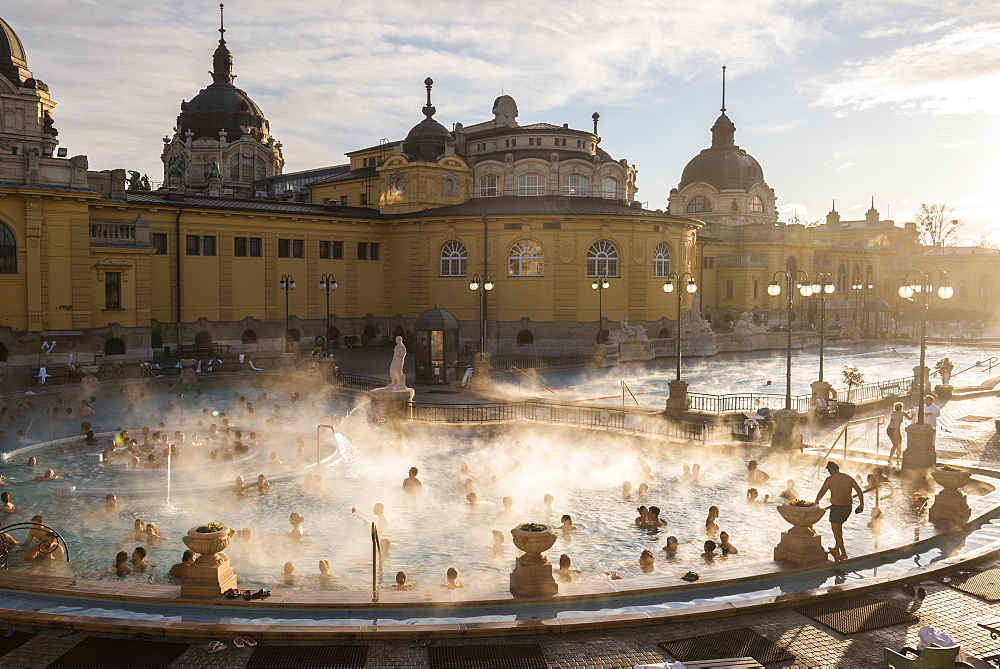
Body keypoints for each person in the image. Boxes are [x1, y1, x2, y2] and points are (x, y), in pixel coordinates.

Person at [815, 461, 864, 562]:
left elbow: (822, 492)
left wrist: (816, 502)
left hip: (837, 507)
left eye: (829, 470)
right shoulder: (848, 477)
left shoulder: (830, 479)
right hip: (848, 507)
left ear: (831, 469)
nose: (829, 472)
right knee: (838, 527)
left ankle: (844, 553)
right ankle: (836, 549)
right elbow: (859, 491)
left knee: (835, 530)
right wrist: (861, 504)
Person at [886, 402, 912, 468]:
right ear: (901, 408)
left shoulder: (893, 413)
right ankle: (898, 461)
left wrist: (908, 411)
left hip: (889, 429)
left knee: (894, 445)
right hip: (895, 430)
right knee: (899, 445)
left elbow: (901, 414)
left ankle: (890, 459)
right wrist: (913, 415)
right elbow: (909, 418)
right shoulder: (902, 413)